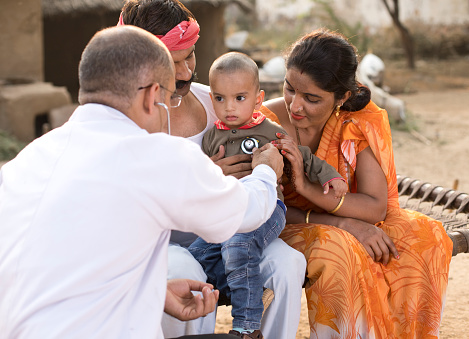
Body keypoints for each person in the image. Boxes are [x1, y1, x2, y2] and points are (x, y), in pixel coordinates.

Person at [0, 25, 284, 338]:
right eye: (169, 99)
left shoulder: (24, 162)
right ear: (152, 96)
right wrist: (266, 169)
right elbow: (248, 212)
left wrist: (154, 292)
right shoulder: (154, 155)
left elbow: (67, 262)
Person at [118, 1, 307, 338]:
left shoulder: (217, 102)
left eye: (189, 56)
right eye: (173, 63)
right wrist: (204, 180)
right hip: (163, 247)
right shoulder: (127, 122)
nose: (186, 72)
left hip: (233, 234)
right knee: (185, 271)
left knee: (288, 264)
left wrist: (270, 170)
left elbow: (266, 138)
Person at [263, 29, 454, 338]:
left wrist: (311, 190)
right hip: (281, 224)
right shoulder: (263, 123)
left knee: (426, 236)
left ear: (343, 98)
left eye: (311, 98)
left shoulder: (357, 122)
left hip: (338, 216)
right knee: (341, 249)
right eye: (289, 89)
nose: (295, 106)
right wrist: (347, 225)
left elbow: (376, 206)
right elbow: (262, 208)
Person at [187, 52, 347, 339]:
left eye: (239, 98)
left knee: (239, 245)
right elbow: (199, 180)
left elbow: (304, 156)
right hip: (227, 212)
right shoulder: (212, 137)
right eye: (220, 99)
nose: (229, 107)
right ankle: (235, 285)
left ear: (258, 99)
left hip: (268, 210)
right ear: (212, 101)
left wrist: (329, 176)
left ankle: (247, 326)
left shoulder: (269, 131)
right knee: (195, 254)